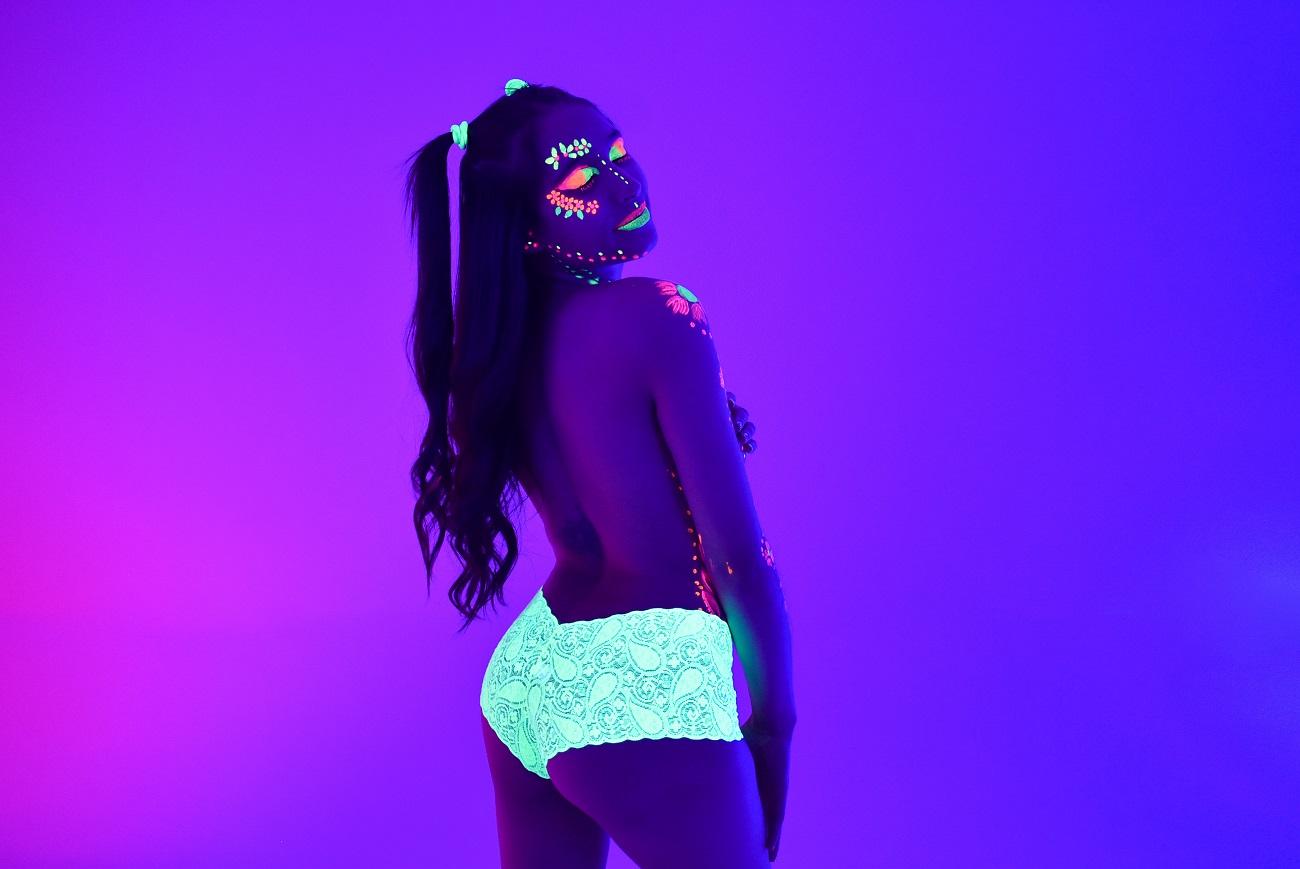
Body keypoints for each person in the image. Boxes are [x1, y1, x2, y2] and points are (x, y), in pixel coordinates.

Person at [403, 77, 796, 868]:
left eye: (619, 151)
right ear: (525, 225)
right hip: (643, 680)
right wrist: (774, 720)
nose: (623, 182)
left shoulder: (500, 350)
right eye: (582, 177)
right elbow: (738, 560)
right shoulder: (663, 314)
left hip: (530, 677)